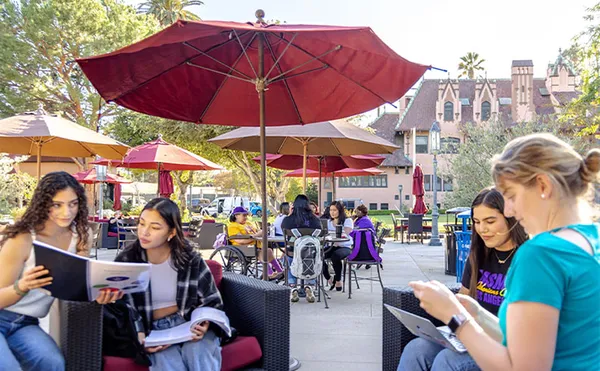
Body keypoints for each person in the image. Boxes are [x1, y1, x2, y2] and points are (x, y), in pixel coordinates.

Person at [409, 134, 600, 371]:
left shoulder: (540, 255)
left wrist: (456, 316)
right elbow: (543, 342)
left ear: (543, 185)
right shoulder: (592, 239)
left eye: (511, 196)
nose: (509, 210)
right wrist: (477, 313)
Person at [397, 188, 528, 371]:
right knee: (416, 348)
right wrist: (445, 325)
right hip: (469, 335)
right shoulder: (478, 256)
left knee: (447, 360)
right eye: (477, 222)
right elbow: (462, 304)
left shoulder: (528, 259)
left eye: (490, 221)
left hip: (503, 345)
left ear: (510, 218)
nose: (482, 229)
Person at [0, 171, 120, 370]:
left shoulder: (81, 235)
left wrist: (98, 293)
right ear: (44, 203)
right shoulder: (22, 238)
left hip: (26, 323)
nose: (67, 212)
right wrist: (22, 287)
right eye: (58, 205)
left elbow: (79, 284)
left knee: (53, 363)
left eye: (73, 204)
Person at [116, 198, 224, 371]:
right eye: (142, 223)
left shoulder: (189, 259)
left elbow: (212, 300)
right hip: (152, 329)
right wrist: (139, 338)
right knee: (165, 361)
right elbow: (123, 311)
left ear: (171, 232)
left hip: (189, 323)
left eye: (155, 227)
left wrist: (205, 323)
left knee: (198, 351)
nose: (144, 232)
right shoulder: (127, 261)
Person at [281, 194, 322, 303]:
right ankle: (310, 286)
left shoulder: (288, 219)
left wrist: (290, 213)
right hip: (311, 253)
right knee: (310, 261)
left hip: (292, 253)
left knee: (287, 260)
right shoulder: (315, 220)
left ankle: (292, 287)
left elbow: (283, 230)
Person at [227, 206, 283, 280]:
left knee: (268, 250)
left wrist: (260, 234)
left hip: (255, 245)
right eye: (243, 215)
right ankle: (270, 273)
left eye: (246, 215)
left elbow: (256, 232)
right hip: (243, 247)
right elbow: (240, 240)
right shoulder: (232, 226)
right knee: (262, 253)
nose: (246, 217)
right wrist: (257, 235)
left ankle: (280, 271)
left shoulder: (248, 223)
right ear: (236, 215)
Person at [325, 201, 353, 291]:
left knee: (336, 256)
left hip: (345, 247)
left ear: (340, 211)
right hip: (332, 246)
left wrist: (330, 235)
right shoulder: (328, 222)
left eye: (334, 210)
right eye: (330, 210)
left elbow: (345, 234)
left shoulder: (348, 221)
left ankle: (338, 280)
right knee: (318, 255)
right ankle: (329, 278)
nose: (332, 212)